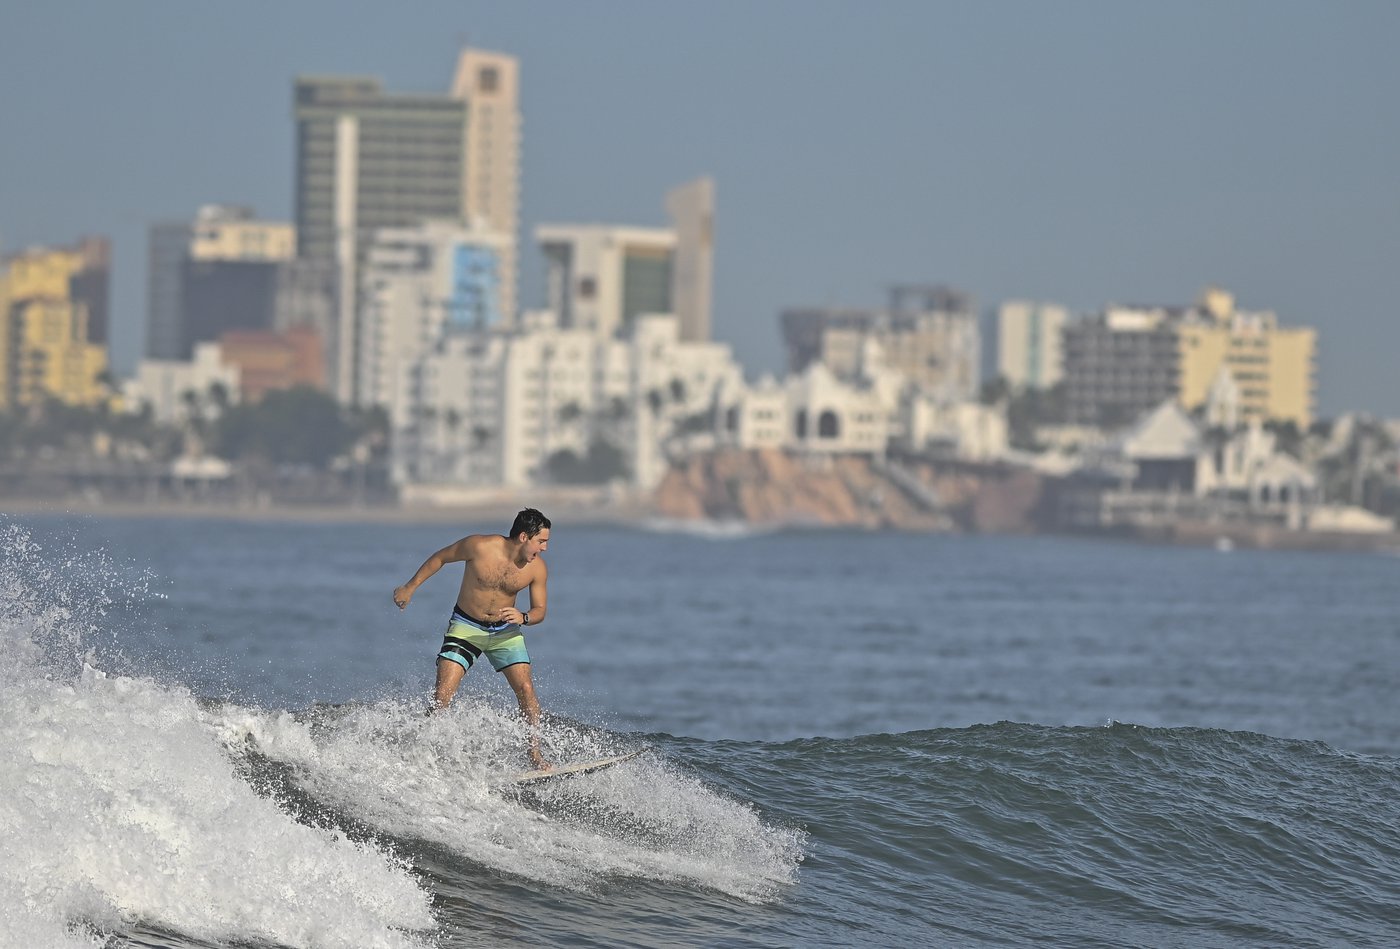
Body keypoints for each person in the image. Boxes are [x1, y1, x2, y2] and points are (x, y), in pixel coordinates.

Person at [393, 508, 552, 769]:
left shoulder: (537, 569)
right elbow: (441, 557)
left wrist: (523, 617)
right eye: (541, 541)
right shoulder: (479, 546)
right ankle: (419, 753)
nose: (544, 548)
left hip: (505, 634)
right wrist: (410, 587)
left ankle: (534, 755)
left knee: (526, 690)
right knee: (443, 695)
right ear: (524, 537)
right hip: (466, 627)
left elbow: (540, 611)